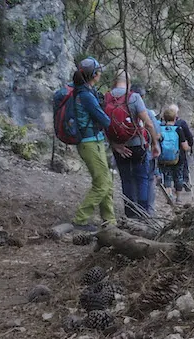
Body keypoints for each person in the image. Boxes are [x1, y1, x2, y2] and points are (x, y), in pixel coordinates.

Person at [62, 58, 114, 232]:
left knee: (106, 181)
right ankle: (80, 219)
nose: (100, 74)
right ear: (94, 74)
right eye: (99, 71)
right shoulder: (85, 95)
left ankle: (110, 221)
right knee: (102, 183)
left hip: (93, 141)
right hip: (90, 143)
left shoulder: (83, 91)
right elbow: (105, 120)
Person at [106, 72, 160, 219]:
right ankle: (143, 213)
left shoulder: (107, 97)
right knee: (142, 178)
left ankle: (130, 214)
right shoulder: (134, 97)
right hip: (137, 144)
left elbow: (103, 124)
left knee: (126, 179)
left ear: (114, 81)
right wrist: (155, 144)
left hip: (119, 146)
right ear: (128, 82)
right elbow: (148, 123)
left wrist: (114, 144)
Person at [158, 106, 192, 203]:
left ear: (164, 118)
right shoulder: (178, 129)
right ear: (175, 118)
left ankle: (169, 197)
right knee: (178, 176)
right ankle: (178, 198)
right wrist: (189, 148)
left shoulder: (160, 129)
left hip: (164, 157)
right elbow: (185, 146)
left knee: (167, 176)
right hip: (178, 157)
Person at [168, 105, 194, 194]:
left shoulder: (163, 124)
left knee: (169, 170)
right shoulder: (181, 123)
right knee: (182, 166)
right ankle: (184, 181)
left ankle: (170, 188)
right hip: (180, 149)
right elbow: (189, 135)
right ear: (176, 113)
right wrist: (190, 145)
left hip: (166, 151)